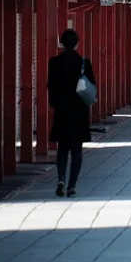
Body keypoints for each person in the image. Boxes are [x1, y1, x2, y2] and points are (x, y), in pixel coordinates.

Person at [48, 29, 96, 198]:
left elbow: (51, 86)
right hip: (79, 111)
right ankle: (72, 186)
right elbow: (92, 86)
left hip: (62, 110)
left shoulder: (54, 62)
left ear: (61, 42)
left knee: (62, 149)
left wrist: (54, 103)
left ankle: (61, 178)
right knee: (76, 150)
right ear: (77, 43)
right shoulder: (83, 63)